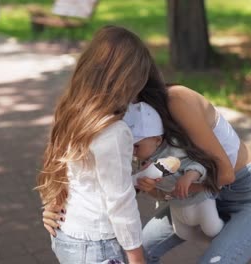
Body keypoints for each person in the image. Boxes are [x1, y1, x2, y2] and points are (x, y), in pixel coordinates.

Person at [43, 31, 251, 264]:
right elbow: (96, 173)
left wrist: (175, 190)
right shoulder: (117, 116)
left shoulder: (176, 100)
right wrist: (57, 209)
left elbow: (225, 173)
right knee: (141, 252)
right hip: (200, 194)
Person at [35, 25, 162, 264]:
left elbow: (84, 178)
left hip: (67, 234)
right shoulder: (114, 131)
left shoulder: (75, 113)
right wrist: (136, 258)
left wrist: (134, 180)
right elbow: (119, 202)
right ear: (127, 82)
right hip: (96, 244)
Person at [124, 101, 225, 240]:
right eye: (129, 146)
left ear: (157, 140)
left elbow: (200, 164)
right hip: (176, 204)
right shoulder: (140, 161)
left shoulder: (174, 150)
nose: (133, 152)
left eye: (136, 146)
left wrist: (189, 176)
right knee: (182, 233)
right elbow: (160, 193)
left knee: (212, 229)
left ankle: (227, 234)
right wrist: (149, 187)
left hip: (199, 200)